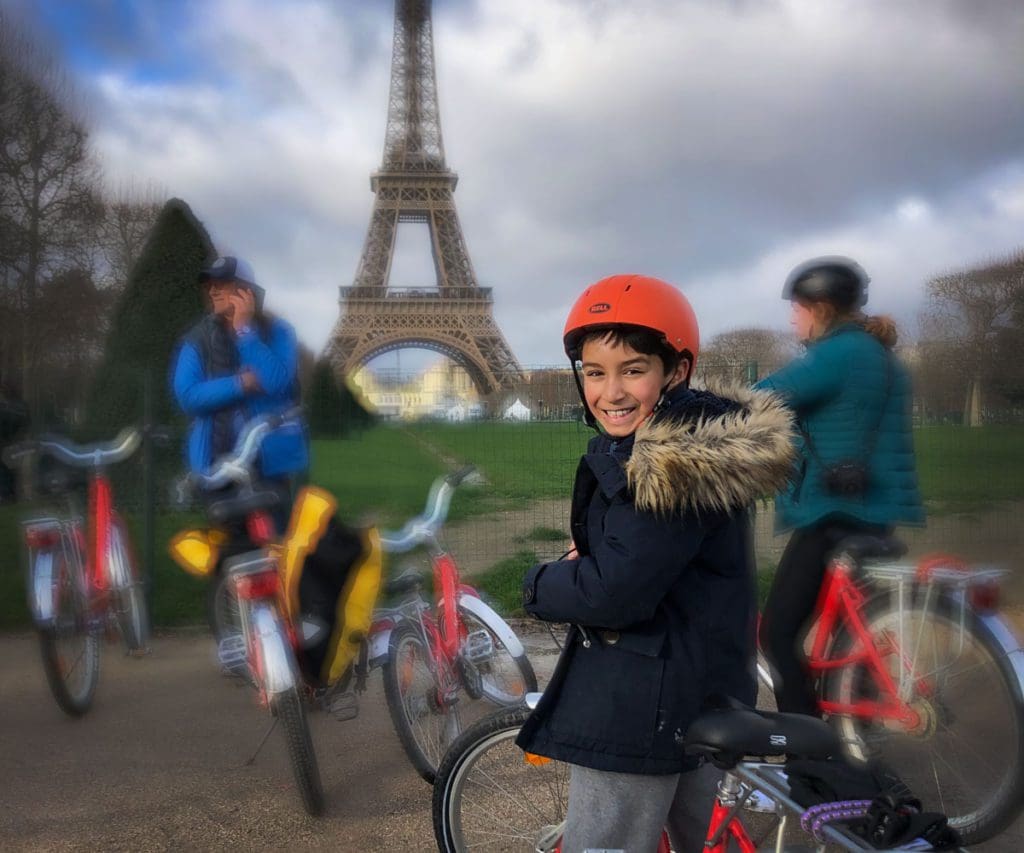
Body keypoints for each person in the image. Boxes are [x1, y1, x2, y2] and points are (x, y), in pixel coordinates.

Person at [515, 274, 796, 852]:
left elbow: (615, 592)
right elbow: (650, 561)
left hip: (642, 703)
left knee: (606, 842)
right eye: (595, 373)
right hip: (694, 683)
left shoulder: (669, 465)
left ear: (677, 371)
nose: (610, 391)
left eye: (632, 369)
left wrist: (539, 583)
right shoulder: (687, 443)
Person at [755, 256, 925, 716]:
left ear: (821, 306)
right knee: (851, 632)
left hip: (832, 515)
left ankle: (808, 754)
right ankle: (856, 745)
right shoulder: (881, 357)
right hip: (875, 514)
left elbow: (766, 394)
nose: (793, 317)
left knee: (777, 635)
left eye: (797, 307)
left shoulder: (839, 353)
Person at [171, 255, 308, 532]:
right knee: (228, 551)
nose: (213, 290)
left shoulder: (278, 332)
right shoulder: (197, 340)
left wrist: (244, 331)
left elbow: (278, 382)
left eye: (222, 283)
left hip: (269, 464)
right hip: (217, 465)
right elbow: (187, 395)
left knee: (275, 549)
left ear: (247, 290)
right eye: (210, 285)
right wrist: (240, 384)